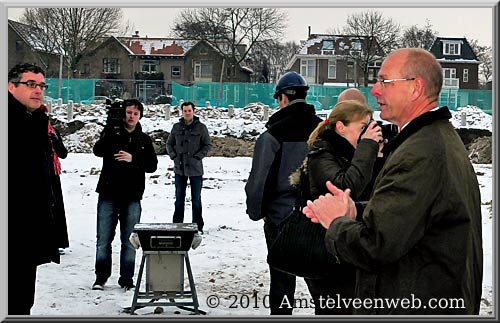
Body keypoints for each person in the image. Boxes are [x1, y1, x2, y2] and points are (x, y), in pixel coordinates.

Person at [303, 48, 483, 314]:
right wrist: (357, 212)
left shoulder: (420, 152)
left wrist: (337, 224)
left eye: (384, 82)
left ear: (415, 88)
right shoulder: (433, 139)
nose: (375, 91)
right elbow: (412, 218)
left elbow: (375, 246)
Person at [289, 100, 382, 315]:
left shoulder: (350, 153)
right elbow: (346, 189)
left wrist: (377, 156)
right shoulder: (322, 152)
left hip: (345, 251)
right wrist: (368, 147)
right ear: (341, 127)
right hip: (325, 256)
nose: (367, 132)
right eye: (362, 127)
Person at [245, 71, 322, 315]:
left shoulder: (271, 136)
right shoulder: (322, 131)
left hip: (280, 218)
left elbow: (259, 180)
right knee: (321, 283)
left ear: (283, 99)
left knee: (281, 283)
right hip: (318, 216)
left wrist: (256, 211)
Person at [8, 63, 61, 315]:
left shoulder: (36, 120)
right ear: (11, 86)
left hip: (28, 226)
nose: (38, 90)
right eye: (30, 84)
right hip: (10, 224)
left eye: (41, 85)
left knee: (21, 299)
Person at [92, 99, 158, 291]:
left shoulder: (143, 139)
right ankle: (101, 277)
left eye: (135, 114)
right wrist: (108, 131)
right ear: (124, 113)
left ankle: (127, 278)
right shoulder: (113, 133)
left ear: (140, 116)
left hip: (132, 195)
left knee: (129, 240)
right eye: (129, 113)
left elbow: (152, 166)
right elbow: (97, 151)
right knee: (103, 239)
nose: (131, 117)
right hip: (108, 193)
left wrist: (133, 158)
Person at [166, 102, 212, 234]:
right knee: (179, 198)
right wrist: (173, 156)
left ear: (193, 111)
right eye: (185, 110)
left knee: (196, 199)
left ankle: (197, 225)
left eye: (189, 110)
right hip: (179, 169)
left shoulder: (201, 128)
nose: (187, 113)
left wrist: (198, 157)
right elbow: (169, 144)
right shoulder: (176, 127)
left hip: (195, 169)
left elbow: (207, 144)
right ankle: (177, 225)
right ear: (182, 112)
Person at [41, 105, 70, 254]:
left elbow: (63, 153)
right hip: (40, 174)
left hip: (53, 174)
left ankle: (57, 241)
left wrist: (55, 141)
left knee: (56, 208)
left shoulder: (53, 132)